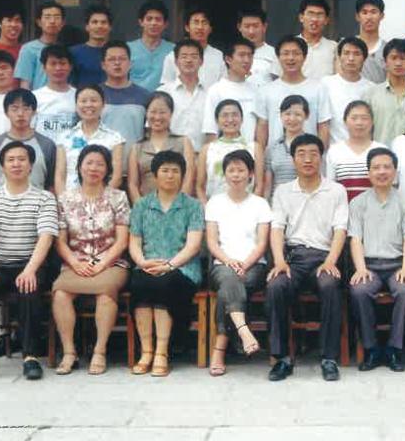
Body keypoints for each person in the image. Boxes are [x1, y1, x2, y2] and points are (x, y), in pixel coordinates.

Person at [0, 141, 58, 383]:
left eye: (22, 159)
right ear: (2, 166)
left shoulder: (45, 198)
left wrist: (30, 270)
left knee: (29, 288)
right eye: (11, 160)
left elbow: (46, 237)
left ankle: (30, 357)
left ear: (31, 165)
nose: (17, 164)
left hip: (30, 263)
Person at [266, 134, 349, 382]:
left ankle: (329, 358)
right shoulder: (283, 191)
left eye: (313, 153)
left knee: (330, 285)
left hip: (325, 256)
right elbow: (277, 228)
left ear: (321, 158)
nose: (308, 159)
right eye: (301, 154)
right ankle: (281, 358)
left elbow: (340, 229)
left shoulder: (336, 190)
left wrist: (331, 261)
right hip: (294, 257)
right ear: (293, 159)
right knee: (276, 286)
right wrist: (279, 261)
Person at [52, 145, 131, 375]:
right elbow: (60, 241)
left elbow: (122, 241)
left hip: (112, 262)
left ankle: (100, 351)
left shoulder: (118, 197)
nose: (94, 168)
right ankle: (69, 352)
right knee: (61, 293)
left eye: (100, 164)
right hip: (75, 261)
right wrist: (75, 263)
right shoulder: (65, 199)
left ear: (107, 169)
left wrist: (101, 264)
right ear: (79, 167)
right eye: (89, 163)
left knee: (105, 293)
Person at [128, 150, 204, 377]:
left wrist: (170, 265)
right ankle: (146, 352)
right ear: (155, 174)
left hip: (182, 267)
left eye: (175, 171)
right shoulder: (142, 205)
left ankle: (162, 352)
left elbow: (193, 246)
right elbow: (134, 242)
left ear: (182, 175)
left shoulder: (193, 206)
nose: (170, 175)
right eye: (165, 170)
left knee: (164, 284)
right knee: (139, 283)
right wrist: (143, 263)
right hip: (148, 264)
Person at [348, 148, 405, 372]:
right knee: (359, 290)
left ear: (395, 171)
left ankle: (395, 349)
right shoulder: (358, 203)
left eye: (387, 167)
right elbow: (355, 239)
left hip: (397, 264)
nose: (382, 172)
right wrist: (360, 269)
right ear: (368, 172)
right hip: (369, 265)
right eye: (376, 167)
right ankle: (371, 349)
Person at [205, 149, 270, 376]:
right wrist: (229, 261)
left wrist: (244, 264)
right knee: (229, 279)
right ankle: (243, 330)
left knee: (229, 287)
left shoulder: (260, 204)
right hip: (222, 264)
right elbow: (212, 242)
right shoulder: (215, 202)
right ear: (224, 174)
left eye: (241, 170)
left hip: (254, 266)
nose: (236, 175)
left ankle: (219, 351)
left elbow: (262, 243)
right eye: (231, 170)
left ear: (250, 173)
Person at [255, 35, 332, 157]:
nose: (291, 58)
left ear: (304, 57)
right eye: (285, 53)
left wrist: (319, 157)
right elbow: (262, 128)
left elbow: (323, 126)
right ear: (278, 57)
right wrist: (261, 160)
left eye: (296, 53)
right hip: (275, 160)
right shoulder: (266, 91)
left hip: (308, 159)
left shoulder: (318, 88)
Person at [0, 88, 57, 192]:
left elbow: (51, 185)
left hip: (38, 201)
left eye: (26, 108)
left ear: (34, 112)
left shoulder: (47, 145)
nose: (20, 113)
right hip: (2, 202)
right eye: (14, 109)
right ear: (6, 112)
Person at [128, 91, 196, 204]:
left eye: (162, 112)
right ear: (146, 113)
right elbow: (132, 184)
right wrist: (142, 209)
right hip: (147, 207)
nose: (157, 117)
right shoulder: (137, 147)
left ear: (171, 114)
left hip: (178, 207)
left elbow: (188, 178)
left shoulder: (183, 142)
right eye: (153, 112)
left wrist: (179, 207)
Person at [54, 85, 124, 192]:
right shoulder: (64, 137)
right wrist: (63, 199)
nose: (88, 105)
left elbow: (116, 177)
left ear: (103, 104)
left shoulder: (115, 138)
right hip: (70, 199)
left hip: (103, 199)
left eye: (94, 100)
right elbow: (60, 176)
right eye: (83, 101)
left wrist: (99, 198)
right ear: (76, 105)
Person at [204, 35, 260, 148]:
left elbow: (261, 126)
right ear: (228, 59)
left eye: (250, 56)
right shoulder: (216, 90)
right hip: (224, 154)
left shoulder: (257, 90)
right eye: (242, 55)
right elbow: (211, 129)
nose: (247, 60)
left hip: (251, 153)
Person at [99, 41, 152, 162]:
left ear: (130, 64)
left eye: (122, 59)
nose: (117, 63)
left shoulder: (144, 96)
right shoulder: (95, 95)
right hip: (101, 165)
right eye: (111, 59)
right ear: (103, 65)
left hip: (135, 163)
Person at [325, 100, 386, 202]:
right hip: (344, 209)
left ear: (372, 122)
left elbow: (389, 187)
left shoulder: (382, 150)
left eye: (364, 118)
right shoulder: (335, 151)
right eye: (354, 118)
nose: (359, 123)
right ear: (345, 122)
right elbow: (331, 188)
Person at [364, 38, 405, 144]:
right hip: (380, 152)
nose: (398, 63)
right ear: (385, 62)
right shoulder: (371, 94)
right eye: (393, 58)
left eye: (403, 58)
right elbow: (365, 129)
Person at [199, 99, 257, 201]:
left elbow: (259, 185)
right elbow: (200, 186)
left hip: (247, 207)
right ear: (217, 120)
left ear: (242, 119)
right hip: (214, 207)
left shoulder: (254, 148)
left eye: (235, 115)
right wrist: (206, 207)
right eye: (225, 115)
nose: (230, 120)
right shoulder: (207, 149)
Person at [157, 39, 208, 151]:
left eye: (194, 56)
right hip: (170, 155)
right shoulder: (163, 92)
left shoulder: (210, 94)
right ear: (176, 62)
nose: (189, 60)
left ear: (201, 61)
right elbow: (153, 128)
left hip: (201, 155)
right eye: (184, 56)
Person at [321, 37, 374, 143]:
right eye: (346, 53)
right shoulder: (325, 84)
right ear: (339, 57)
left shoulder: (372, 88)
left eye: (356, 54)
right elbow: (322, 123)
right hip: (333, 149)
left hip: (363, 149)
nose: (351, 58)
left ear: (364, 58)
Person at [160, 8, 226, 88]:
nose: (200, 27)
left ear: (210, 29)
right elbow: (166, 86)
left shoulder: (218, 56)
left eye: (204, 23)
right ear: (187, 27)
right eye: (196, 22)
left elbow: (224, 86)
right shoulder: (173, 56)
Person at [262, 96, 307, 199]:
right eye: (287, 114)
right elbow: (268, 186)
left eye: (297, 114)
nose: (292, 119)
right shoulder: (272, 148)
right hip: (279, 203)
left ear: (306, 116)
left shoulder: (312, 146)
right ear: (281, 116)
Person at [32, 45, 77, 142]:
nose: (58, 68)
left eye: (62, 63)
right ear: (44, 67)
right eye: (53, 64)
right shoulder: (34, 97)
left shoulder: (79, 96)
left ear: (70, 66)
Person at [16, 1, 65, 91]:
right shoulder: (28, 49)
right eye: (47, 17)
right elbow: (25, 83)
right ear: (39, 22)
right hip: (38, 98)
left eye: (57, 17)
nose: (52, 21)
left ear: (62, 23)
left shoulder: (66, 49)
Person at [128, 0, 174, 91]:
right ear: (141, 22)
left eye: (158, 19)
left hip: (164, 98)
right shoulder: (128, 48)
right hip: (133, 98)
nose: (153, 23)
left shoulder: (173, 50)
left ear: (165, 24)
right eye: (149, 19)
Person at [70, 4, 112, 85]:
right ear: (87, 27)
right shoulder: (74, 52)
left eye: (103, 22)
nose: (99, 26)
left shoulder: (117, 52)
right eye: (94, 22)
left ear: (110, 27)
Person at [295, 0, 336, 81]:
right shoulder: (289, 46)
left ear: (326, 20)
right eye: (310, 14)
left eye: (319, 15)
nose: (314, 19)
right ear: (301, 17)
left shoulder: (334, 48)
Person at [236, 8, 280, 86]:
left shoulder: (275, 54)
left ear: (264, 27)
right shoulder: (232, 55)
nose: (251, 31)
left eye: (255, 26)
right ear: (239, 27)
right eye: (247, 26)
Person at [355, 0, 388, 83]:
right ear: (357, 16)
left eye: (373, 12)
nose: (369, 17)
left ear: (382, 16)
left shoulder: (388, 49)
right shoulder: (347, 47)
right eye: (364, 12)